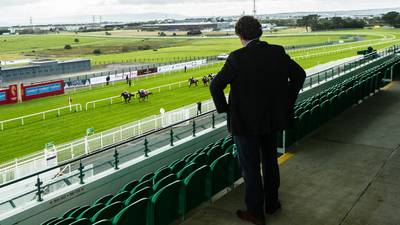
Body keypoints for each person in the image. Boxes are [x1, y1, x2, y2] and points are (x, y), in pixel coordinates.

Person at [210, 16, 306, 225]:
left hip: (245, 125)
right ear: (259, 32)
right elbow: (299, 75)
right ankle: (272, 204)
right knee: (270, 162)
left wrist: (226, 110)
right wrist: (286, 102)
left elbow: (215, 86)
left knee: (251, 169)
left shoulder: (237, 57)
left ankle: (255, 212)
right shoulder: (277, 52)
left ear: (240, 36)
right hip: (271, 120)